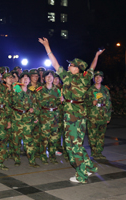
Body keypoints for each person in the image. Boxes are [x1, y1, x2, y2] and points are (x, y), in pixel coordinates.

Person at [39, 37, 104, 183]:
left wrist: (96, 56)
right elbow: (91, 68)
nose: (69, 66)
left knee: (71, 147)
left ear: (78, 68)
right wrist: (96, 56)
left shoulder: (76, 78)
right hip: (77, 116)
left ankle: (81, 175)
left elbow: (90, 67)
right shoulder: (76, 77)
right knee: (77, 144)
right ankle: (89, 167)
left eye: (72, 65)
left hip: (73, 117)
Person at [9, 72, 40, 167]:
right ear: (20, 80)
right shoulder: (15, 91)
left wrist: (34, 113)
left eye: (27, 78)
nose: (25, 80)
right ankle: (17, 159)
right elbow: (10, 103)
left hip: (27, 119)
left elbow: (36, 105)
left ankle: (32, 161)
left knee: (29, 141)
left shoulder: (32, 93)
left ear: (29, 80)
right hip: (16, 119)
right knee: (16, 141)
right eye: (23, 78)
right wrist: (15, 92)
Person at [36, 70, 61, 164]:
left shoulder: (57, 90)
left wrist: (61, 100)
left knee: (54, 138)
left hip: (55, 116)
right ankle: (43, 156)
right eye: (47, 76)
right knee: (44, 138)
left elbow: (59, 103)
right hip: (44, 116)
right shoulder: (40, 90)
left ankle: (52, 157)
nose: (49, 78)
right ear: (44, 78)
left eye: (51, 76)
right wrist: (36, 117)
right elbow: (37, 104)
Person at [85, 71, 112, 160]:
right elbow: (85, 103)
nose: (98, 78)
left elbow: (109, 103)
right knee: (92, 135)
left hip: (103, 115)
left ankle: (99, 152)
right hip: (93, 116)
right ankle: (94, 153)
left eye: (100, 77)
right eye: (96, 77)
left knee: (101, 135)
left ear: (102, 78)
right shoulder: (90, 90)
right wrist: (91, 103)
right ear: (93, 78)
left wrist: (108, 116)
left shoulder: (105, 90)